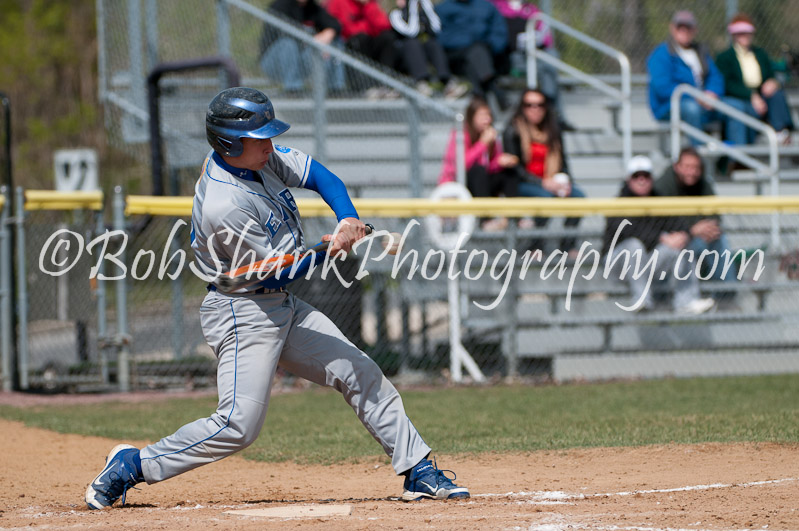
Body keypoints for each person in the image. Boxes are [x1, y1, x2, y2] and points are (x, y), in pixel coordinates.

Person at [85, 87, 470, 509]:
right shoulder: (224, 203)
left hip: (279, 304)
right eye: (259, 137)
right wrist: (331, 249)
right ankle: (133, 464)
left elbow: (321, 176)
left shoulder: (258, 160)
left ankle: (418, 470)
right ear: (230, 142)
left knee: (358, 370)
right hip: (241, 310)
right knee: (238, 425)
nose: (269, 145)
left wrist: (347, 219)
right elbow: (281, 269)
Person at [603, 156, 716, 314]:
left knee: (679, 246)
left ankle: (686, 301)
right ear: (629, 179)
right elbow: (629, 232)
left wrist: (684, 235)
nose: (641, 180)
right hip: (617, 266)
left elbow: (680, 225)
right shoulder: (618, 204)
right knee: (634, 246)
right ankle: (641, 300)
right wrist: (662, 238)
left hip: (646, 265)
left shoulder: (659, 199)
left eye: (646, 176)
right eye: (636, 176)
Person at [647, 10, 750, 146]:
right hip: (671, 106)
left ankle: (736, 159)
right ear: (672, 28)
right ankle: (700, 156)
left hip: (703, 102)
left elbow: (716, 77)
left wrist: (712, 93)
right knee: (692, 108)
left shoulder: (700, 51)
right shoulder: (661, 54)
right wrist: (696, 96)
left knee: (736, 107)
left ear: (695, 29)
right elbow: (662, 86)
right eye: (680, 27)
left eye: (688, 27)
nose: (684, 30)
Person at [502, 89, 585, 249]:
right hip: (523, 183)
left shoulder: (553, 130)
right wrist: (542, 182)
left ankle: (568, 246)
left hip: (551, 181)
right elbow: (515, 168)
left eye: (540, 105)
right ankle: (536, 246)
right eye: (529, 105)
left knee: (578, 197)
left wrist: (565, 183)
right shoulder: (513, 130)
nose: (535, 109)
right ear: (522, 107)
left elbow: (563, 162)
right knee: (545, 198)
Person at [654, 147, 739, 290]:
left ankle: (727, 294)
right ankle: (669, 296)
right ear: (677, 167)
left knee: (719, 239)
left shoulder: (703, 183)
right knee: (683, 248)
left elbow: (715, 215)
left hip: (695, 237)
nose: (692, 172)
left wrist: (707, 228)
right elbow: (662, 223)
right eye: (687, 167)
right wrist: (692, 230)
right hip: (671, 240)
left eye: (695, 168)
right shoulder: (663, 185)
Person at [439, 97, 518, 229]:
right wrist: (482, 144)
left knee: (509, 174)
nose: (487, 119)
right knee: (478, 171)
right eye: (482, 115)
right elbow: (461, 165)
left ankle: (515, 218)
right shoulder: (460, 134)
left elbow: (490, 166)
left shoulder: (490, 135)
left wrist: (500, 162)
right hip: (460, 183)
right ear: (471, 117)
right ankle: (485, 220)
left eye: (488, 115)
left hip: (482, 184)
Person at [715, 13, 795, 144]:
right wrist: (751, 95)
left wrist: (773, 82)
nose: (744, 36)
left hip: (761, 95)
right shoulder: (725, 57)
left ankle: (781, 132)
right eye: (740, 33)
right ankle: (748, 147)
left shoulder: (760, 53)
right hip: (741, 97)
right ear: (734, 35)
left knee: (777, 95)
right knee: (745, 108)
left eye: (747, 32)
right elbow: (728, 83)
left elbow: (770, 73)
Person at [259, 0, 346, 94]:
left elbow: (335, 24)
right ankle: (292, 90)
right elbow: (284, 32)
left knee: (335, 42)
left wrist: (329, 33)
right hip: (273, 62)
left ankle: (336, 88)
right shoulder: (280, 5)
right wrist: (315, 39)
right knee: (288, 44)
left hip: (301, 60)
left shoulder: (312, 8)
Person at [435, 0, 509, 106]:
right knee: (475, 51)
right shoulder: (443, 9)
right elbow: (441, 37)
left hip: (485, 53)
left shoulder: (487, 6)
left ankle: (480, 100)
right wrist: (470, 42)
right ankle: (493, 87)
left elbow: (499, 32)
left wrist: (491, 45)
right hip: (455, 54)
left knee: (473, 60)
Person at [388, 0, 467, 99]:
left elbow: (436, 29)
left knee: (432, 43)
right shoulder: (395, 14)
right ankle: (422, 83)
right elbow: (412, 32)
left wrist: (427, 7)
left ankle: (447, 81)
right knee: (412, 43)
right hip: (403, 56)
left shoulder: (422, 12)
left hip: (422, 52)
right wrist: (412, 9)